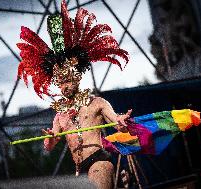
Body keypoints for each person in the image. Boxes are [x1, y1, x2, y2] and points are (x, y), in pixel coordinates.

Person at [16, 1, 130, 188]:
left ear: (76, 78)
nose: (64, 87)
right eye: (60, 83)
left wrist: (121, 121)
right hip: (79, 170)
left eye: (67, 81)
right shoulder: (60, 116)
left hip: (98, 161)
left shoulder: (97, 103)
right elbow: (49, 146)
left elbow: (117, 122)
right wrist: (50, 140)